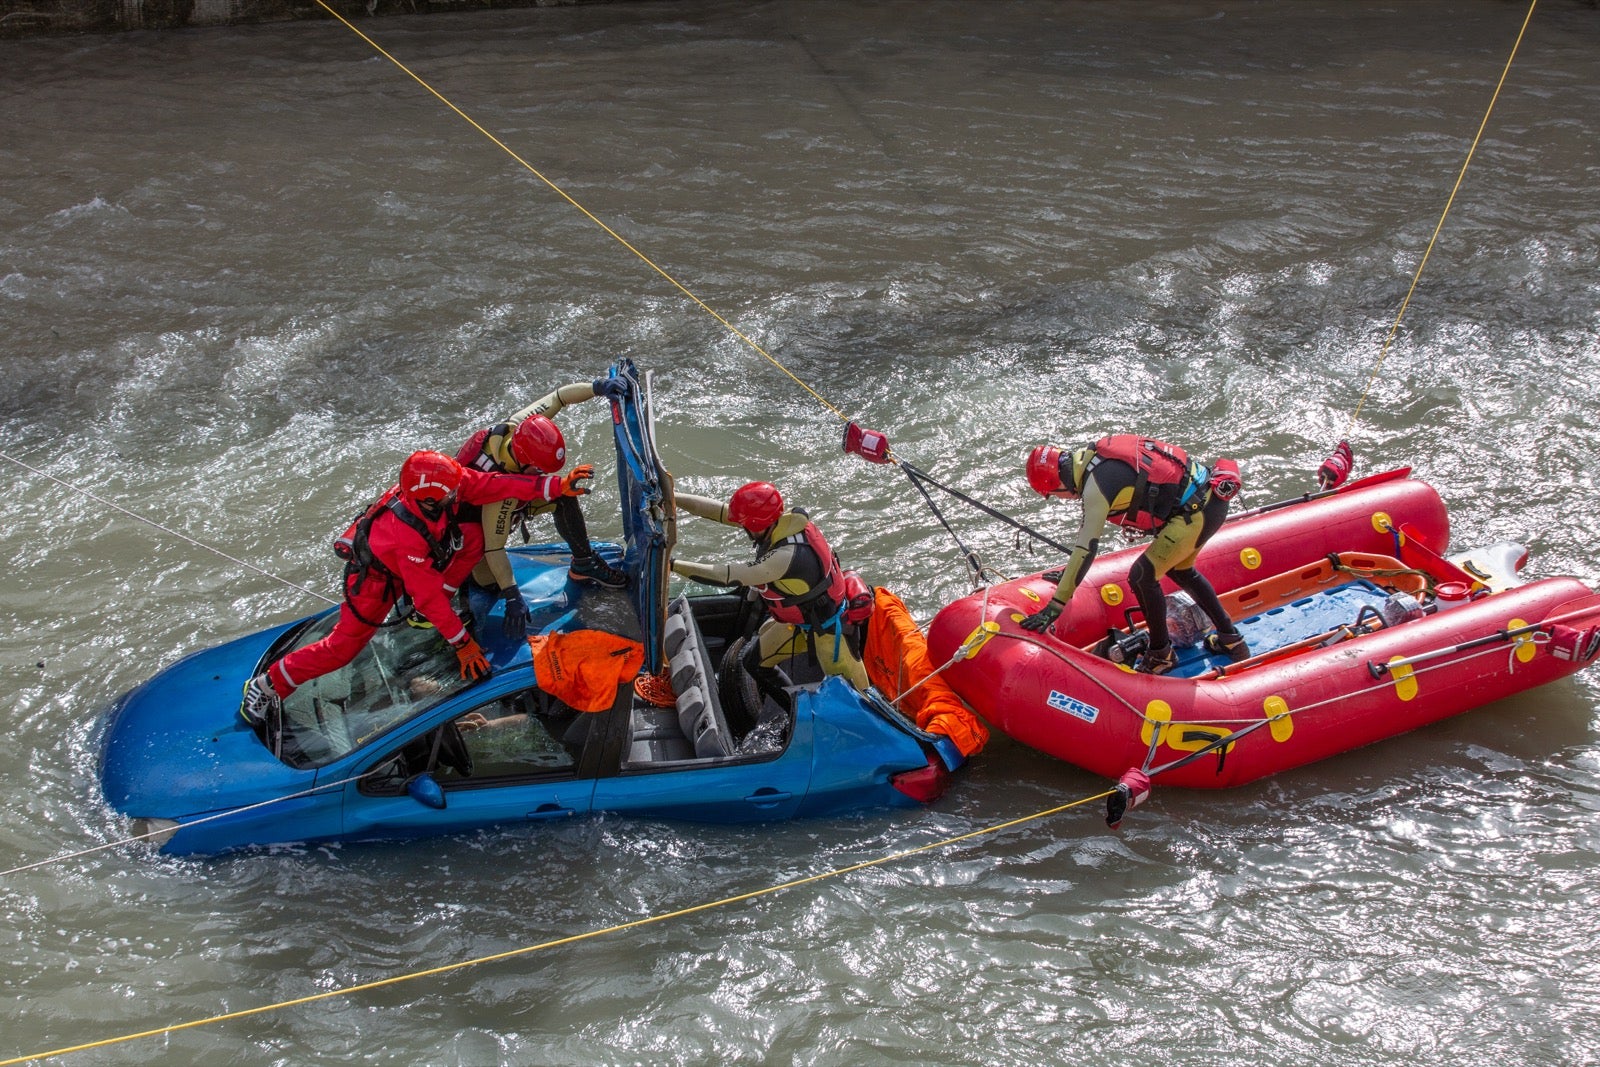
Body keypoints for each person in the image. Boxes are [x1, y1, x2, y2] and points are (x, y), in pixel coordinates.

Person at [240, 450, 590, 725]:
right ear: (430, 500)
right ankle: (270, 684)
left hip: (410, 566)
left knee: (471, 537)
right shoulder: (403, 534)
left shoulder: (441, 483)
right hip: (377, 582)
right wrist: (463, 645)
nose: (460, 492)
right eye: (453, 492)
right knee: (342, 649)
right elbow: (425, 596)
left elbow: (493, 484)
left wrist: (556, 486)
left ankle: (439, 607)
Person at [1020, 435, 1249, 675]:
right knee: (1181, 571)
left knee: (1142, 576)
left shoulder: (1095, 486)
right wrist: (1070, 574)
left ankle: (1161, 655)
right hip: (1209, 499)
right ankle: (1231, 639)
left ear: (1057, 483)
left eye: (1053, 494)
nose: (1059, 499)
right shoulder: (1094, 459)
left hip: (1195, 512)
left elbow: (1086, 547)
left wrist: (1055, 607)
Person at [456, 380, 629, 638]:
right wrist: (512, 595)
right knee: (490, 584)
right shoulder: (499, 486)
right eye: (538, 470)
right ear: (524, 462)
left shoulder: (518, 427)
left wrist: (598, 388)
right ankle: (465, 587)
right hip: (477, 535)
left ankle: (584, 564)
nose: (542, 475)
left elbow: (560, 397)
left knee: (563, 493)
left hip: (506, 506)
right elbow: (494, 547)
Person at [670, 481, 871, 692]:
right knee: (754, 662)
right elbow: (721, 512)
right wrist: (673, 498)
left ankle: (807, 713)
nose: (743, 526)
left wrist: (672, 564)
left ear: (757, 524)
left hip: (830, 636)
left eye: (746, 524)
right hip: (804, 623)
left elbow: (727, 575)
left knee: (853, 700)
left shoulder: (785, 558)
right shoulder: (782, 521)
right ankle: (790, 707)